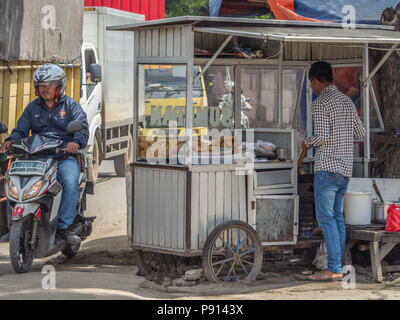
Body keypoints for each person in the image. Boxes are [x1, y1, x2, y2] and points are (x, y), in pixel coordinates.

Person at [0, 64, 89, 245]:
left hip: (62, 158)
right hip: (37, 158)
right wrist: (10, 141)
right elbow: (21, 130)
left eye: (49, 84)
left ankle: (65, 227)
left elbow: (82, 129)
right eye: (41, 85)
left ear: (59, 86)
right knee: (12, 179)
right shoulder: (32, 108)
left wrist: (75, 142)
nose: (45, 88)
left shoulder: (71, 106)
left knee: (70, 182)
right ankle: (14, 223)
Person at [301, 61, 366, 281]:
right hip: (345, 169)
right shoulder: (347, 101)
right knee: (337, 218)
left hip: (327, 168)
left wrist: (307, 143)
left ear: (315, 81)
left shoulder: (320, 103)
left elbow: (323, 136)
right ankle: (338, 264)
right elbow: (361, 132)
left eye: (312, 84)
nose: (312, 88)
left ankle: (334, 268)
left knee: (326, 218)